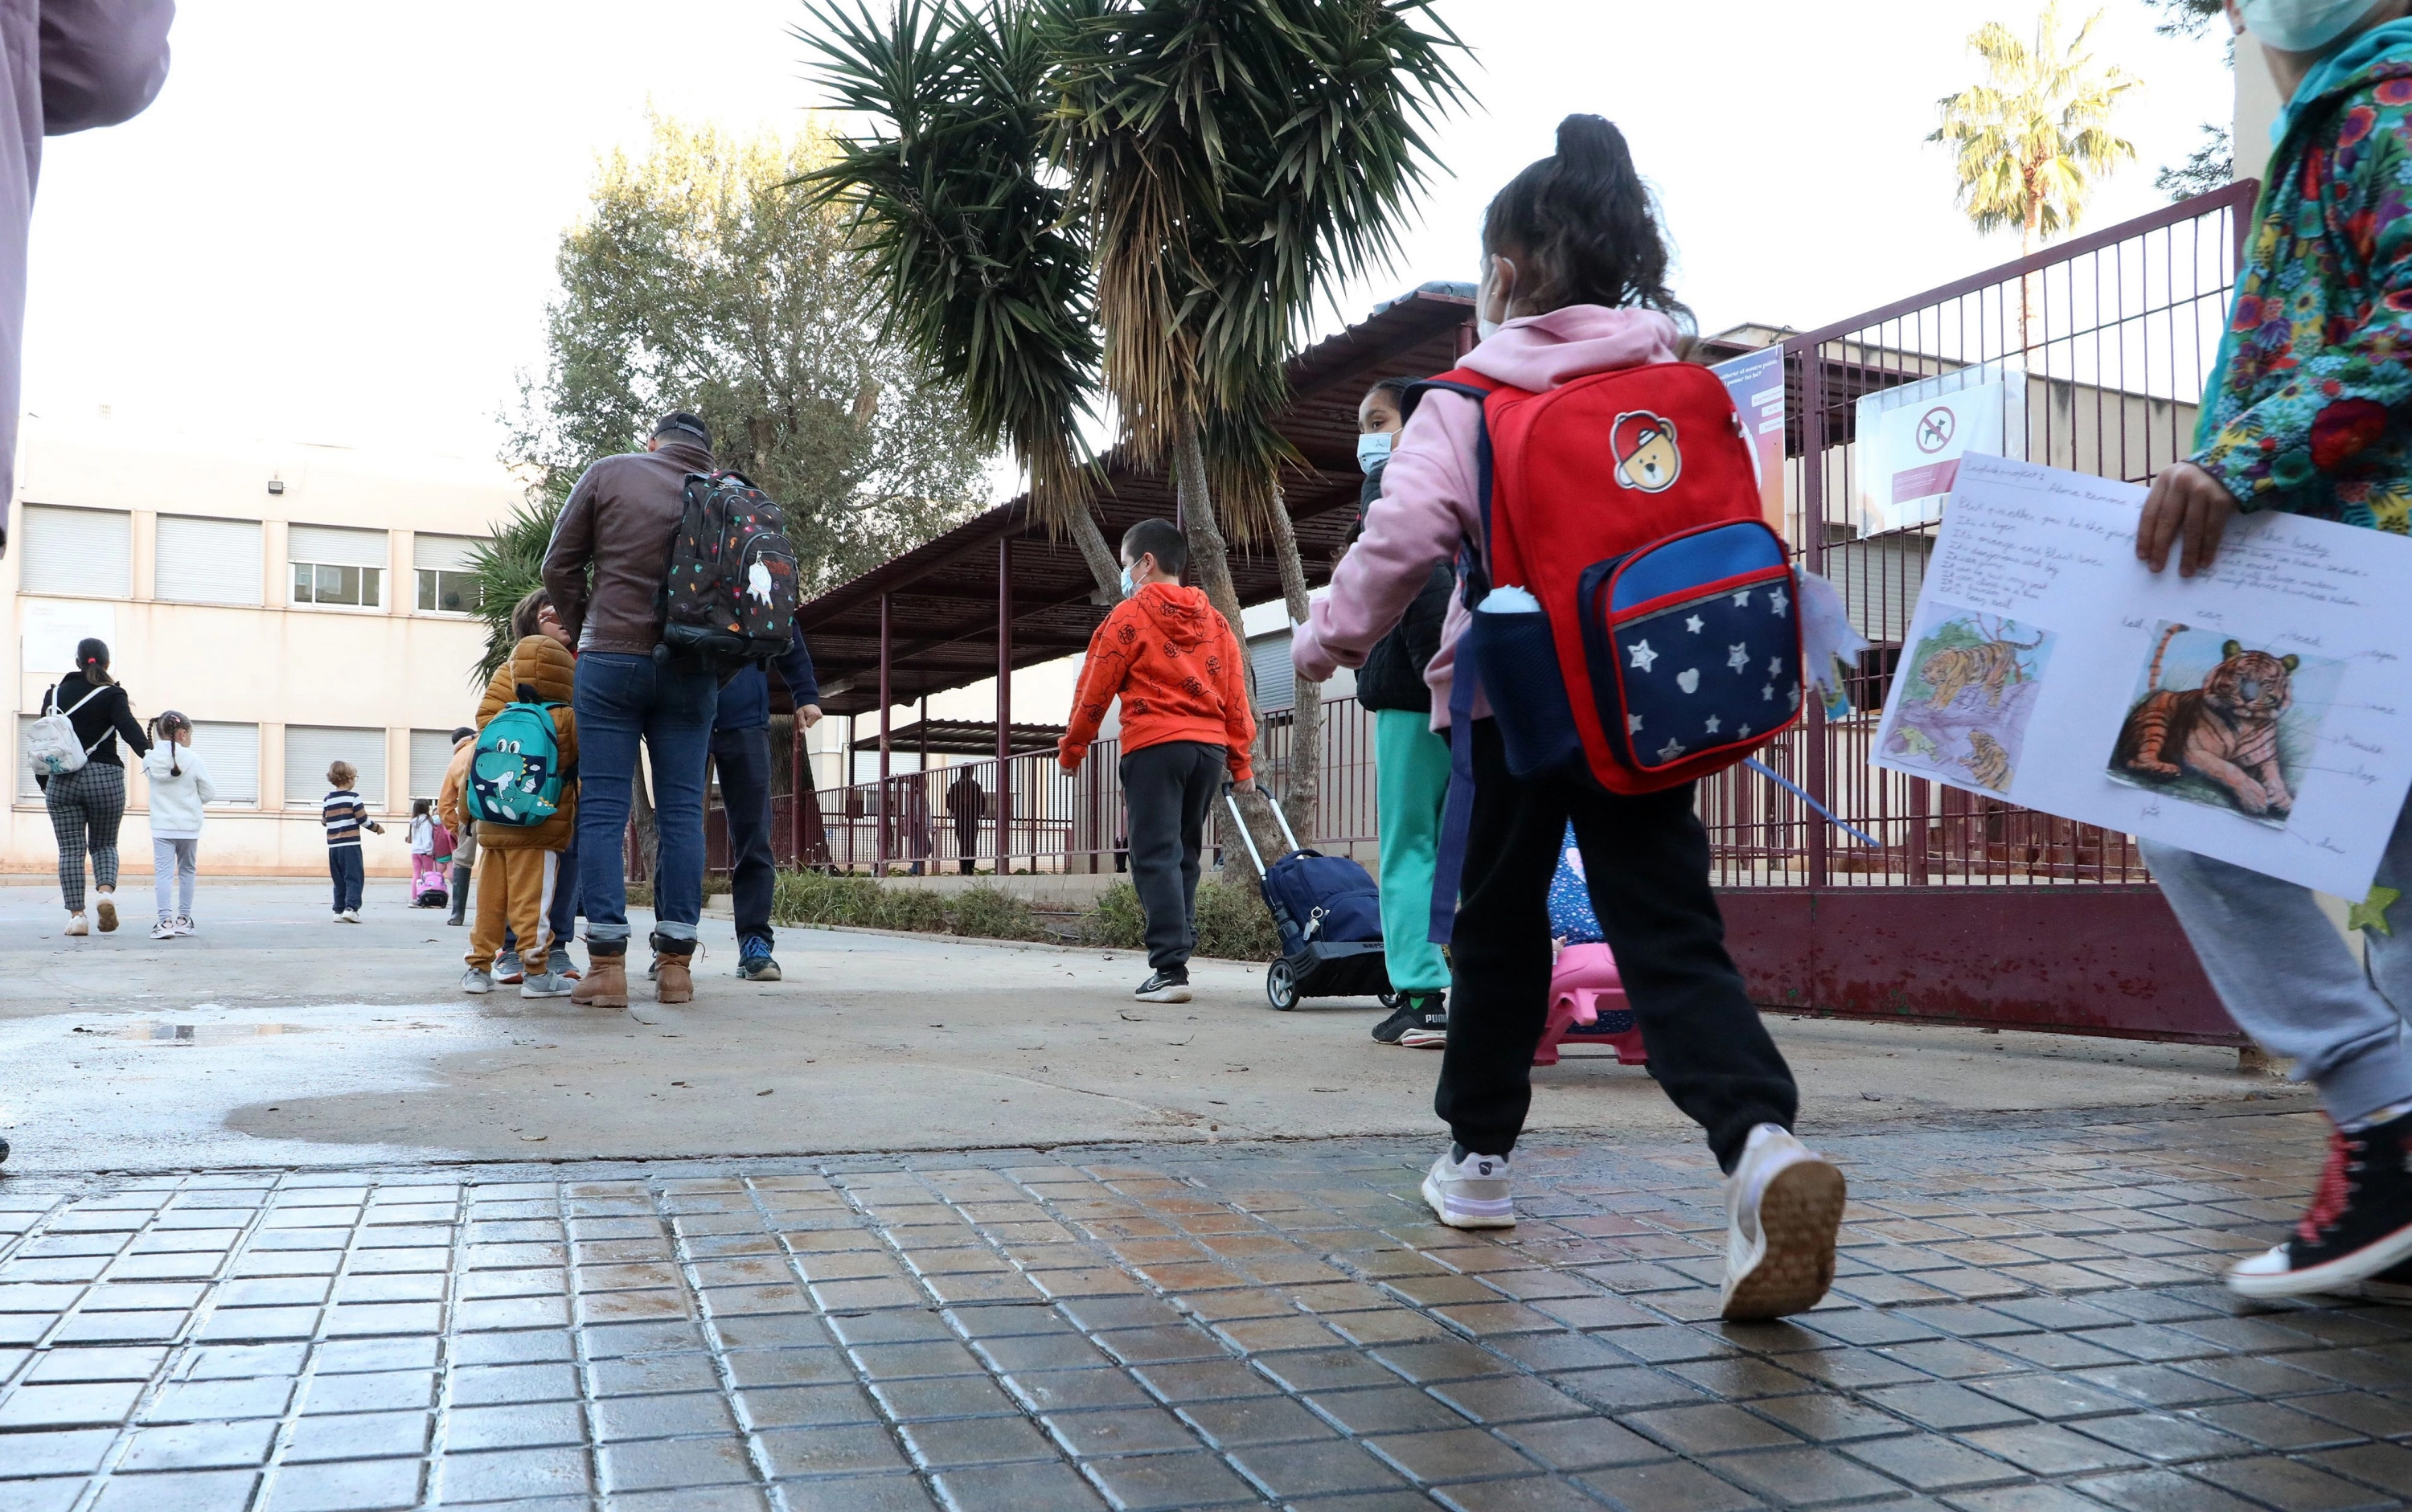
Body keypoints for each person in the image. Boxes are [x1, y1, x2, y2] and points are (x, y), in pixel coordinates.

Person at [1294, 115, 1843, 1321]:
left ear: (1507, 269)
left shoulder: (1471, 395)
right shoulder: (1679, 379)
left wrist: (1322, 639)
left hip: (1513, 701)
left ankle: (1479, 1165)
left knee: (1497, 929)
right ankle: (1759, 1144)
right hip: (1651, 698)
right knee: (1670, 928)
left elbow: (1402, 545)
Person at [2130, 0, 2412, 1303]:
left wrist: (2235, 460)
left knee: (2180, 796)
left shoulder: (2387, 98)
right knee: (2403, 876)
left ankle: (2384, 1114)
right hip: (2355, 554)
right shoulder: (2342, 106)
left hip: (2361, 562)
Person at [0, 0, 173, 1166]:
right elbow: (113, 59)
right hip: (109, 782)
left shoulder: (62, 692)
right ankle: (107, 887)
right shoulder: (109, 699)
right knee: (103, 831)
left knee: (63, 841)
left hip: (62, 782)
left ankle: (72, 897)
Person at [542, 410, 723, 1008]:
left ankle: (607, 967)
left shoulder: (612, 472)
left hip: (611, 661)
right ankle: (675, 965)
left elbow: (557, 567)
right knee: (681, 813)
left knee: (603, 810)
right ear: (704, 452)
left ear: (654, 443)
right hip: (693, 668)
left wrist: (582, 624)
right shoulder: (725, 493)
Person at [1059, 518, 1257, 1003]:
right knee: (1185, 852)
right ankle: (1178, 956)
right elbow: (1236, 695)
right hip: (1207, 752)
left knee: (1153, 855)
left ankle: (1169, 969)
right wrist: (1241, 763)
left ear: (1146, 563)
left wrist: (1074, 747)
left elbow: (1095, 686)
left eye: (1127, 564)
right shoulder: (1217, 622)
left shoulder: (1128, 618)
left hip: (1154, 747)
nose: (1125, 575)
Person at [1355, 375, 1456, 1051]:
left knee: (1409, 847)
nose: (1365, 436)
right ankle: (1460, 987)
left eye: (1377, 418)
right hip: (1470, 695)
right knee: (1461, 849)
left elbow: (1418, 580)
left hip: (1415, 696)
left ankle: (1422, 995)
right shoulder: (1461, 484)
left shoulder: (1392, 482)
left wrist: (1433, 671)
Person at [457, 588, 580, 1000]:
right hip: (545, 811)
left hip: (495, 812)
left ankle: (481, 965)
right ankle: (534, 965)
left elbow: (484, 737)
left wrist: (465, 811)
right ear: (530, 625)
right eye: (551, 615)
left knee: (498, 895)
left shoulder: (511, 681)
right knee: (538, 892)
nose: (562, 620)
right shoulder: (558, 698)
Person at [711, 624, 822, 981]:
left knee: (754, 834)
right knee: (678, 831)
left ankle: (755, 942)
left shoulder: (758, 570)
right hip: (680, 713)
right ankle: (670, 942)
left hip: (745, 717)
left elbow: (785, 626)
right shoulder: (676, 566)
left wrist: (804, 691)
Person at [37, 639, 150, 936]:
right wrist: (154, 758)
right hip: (105, 777)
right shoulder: (113, 693)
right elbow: (129, 730)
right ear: (106, 663)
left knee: (71, 851)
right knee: (105, 844)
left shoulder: (55, 694)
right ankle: (105, 894)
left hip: (63, 780)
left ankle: (78, 917)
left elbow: (43, 743)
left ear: (77, 661)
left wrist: (45, 784)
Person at [141, 710, 213, 939]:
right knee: (187, 872)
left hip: (161, 826)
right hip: (189, 827)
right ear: (182, 734)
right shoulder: (194, 759)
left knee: (163, 874)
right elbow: (209, 792)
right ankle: (184, 920)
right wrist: (192, 799)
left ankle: (164, 922)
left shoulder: (149, 759)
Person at [322, 760, 383, 922]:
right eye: (355, 777)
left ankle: (338, 910)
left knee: (339, 879)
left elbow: (324, 821)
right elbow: (362, 819)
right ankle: (351, 908)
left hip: (333, 846)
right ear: (349, 778)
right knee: (354, 877)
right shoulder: (353, 798)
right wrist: (376, 828)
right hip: (350, 845)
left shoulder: (328, 799)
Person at [439, 725, 478, 927]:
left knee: (463, 859)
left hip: (471, 815)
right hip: (500, 809)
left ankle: (457, 914)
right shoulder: (488, 741)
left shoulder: (457, 759)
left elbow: (444, 804)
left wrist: (457, 829)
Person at [948, 767, 987, 875]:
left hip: (960, 820)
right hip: (972, 820)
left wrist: (957, 812)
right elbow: (982, 803)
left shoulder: (955, 787)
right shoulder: (976, 786)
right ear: (972, 772)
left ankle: (963, 869)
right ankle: (970, 870)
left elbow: (949, 803)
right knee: (972, 845)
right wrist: (977, 813)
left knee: (963, 845)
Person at [408, 798, 443, 906]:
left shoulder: (413, 821)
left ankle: (414, 898)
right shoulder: (426, 821)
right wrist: (429, 851)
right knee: (428, 875)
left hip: (415, 851)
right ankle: (427, 896)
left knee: (416, 875)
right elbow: (426, 838)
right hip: (425, 852)